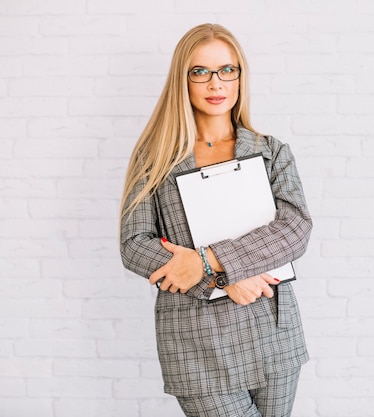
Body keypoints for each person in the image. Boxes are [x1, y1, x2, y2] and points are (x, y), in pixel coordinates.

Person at [119, 23, 312, 417]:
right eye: (200, 72)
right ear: (183, 80)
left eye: (227, 70)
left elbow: (294, 230)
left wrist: (208, 261)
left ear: (240, 76)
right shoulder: (154, 159)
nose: (215, 83)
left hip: (273, 330)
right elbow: (135, 245)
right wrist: (225, 279)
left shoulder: (271, 151)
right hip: (196, 341)